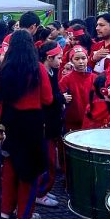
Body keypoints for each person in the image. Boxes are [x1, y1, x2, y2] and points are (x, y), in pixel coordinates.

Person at [0, 30, 53, 219]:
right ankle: (24, 214)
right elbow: (48, 98)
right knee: (30, 169)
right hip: (32, 122)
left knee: (10, 165)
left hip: (9, 119)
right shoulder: (37, 68)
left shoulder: (4, 67)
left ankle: (5, 209)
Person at [36, 41, 66, 207]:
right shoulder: (42, 72)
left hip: (53, 122)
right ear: (49, 57)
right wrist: (61, 98)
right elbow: (47, 98)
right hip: (45, 123)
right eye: (59, 58)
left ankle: (44, 190)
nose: (61, 61)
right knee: (47, 161)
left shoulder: (52, 71)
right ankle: (40, 192)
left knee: (51, 160)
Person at [59, 46, 93, 132]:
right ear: (71, 61)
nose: (81, 62)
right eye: (77, 59)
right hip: (72, 123)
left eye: (83, 58)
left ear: (88, 58)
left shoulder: (95, 78)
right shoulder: (66, 80)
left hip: (91, 122)